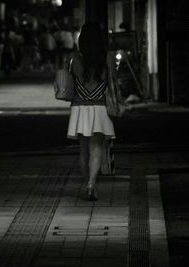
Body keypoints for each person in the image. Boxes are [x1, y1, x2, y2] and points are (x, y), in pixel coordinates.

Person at [66, 23, 116, 201]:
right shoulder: (107, 58)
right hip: (99, 107)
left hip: (80, 107)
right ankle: (91, 184)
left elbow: (68, 80)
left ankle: (87, 183)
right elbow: (112, 82)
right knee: (96, 148)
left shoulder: (74, 58)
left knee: (83, 150)